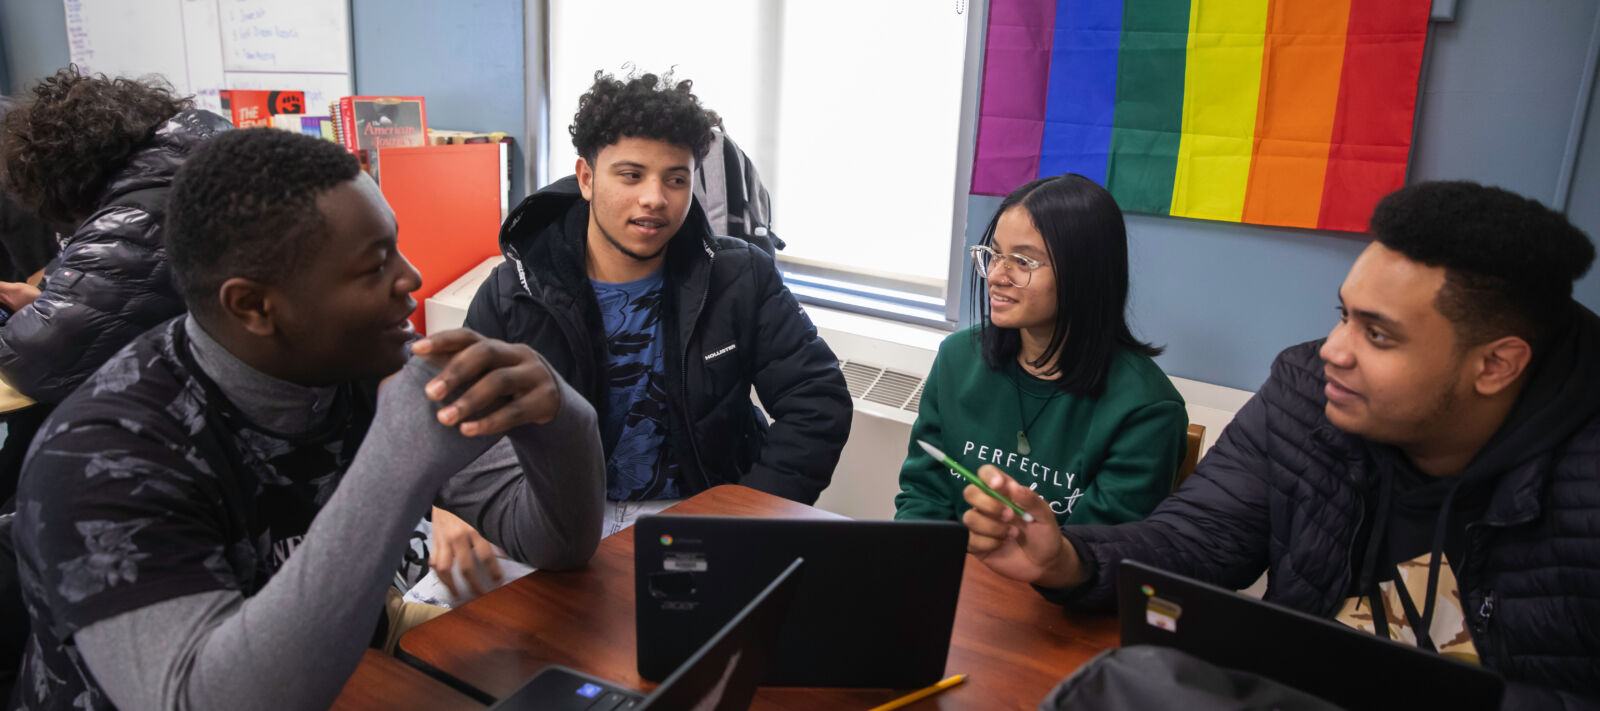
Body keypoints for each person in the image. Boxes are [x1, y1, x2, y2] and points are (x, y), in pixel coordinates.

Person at [7, 128, 605, 711]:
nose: (412, 278)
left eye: (395, 246)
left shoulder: (364, 361)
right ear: (254, 305)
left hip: (340, 664)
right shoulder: (102, 457)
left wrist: (559, 417)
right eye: (374, 266)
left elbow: (555, 544)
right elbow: (208, 698)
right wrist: (398, 461)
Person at [961, 181, 1600, 707]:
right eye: (1343, 314)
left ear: (1496, 366)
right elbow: (1196, 539)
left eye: (1378, 336)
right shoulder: (1307, 394)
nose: (1333, 351)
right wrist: (1068, 560)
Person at [466, 70, 851, 538]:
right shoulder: (515, 292)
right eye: (631, 175)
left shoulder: (739, 277)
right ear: (586, 178)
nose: (655, 198)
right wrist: (454, 513)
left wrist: (747, 515)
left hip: (702, 510)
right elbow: (465, 427)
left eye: (675, 179)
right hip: (555, 518)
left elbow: (818, 401)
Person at [896, 174, 1187, 526]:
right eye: (995, 254)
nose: (996, 275)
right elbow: (923, 495)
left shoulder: (1146, 408)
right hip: (951, 570)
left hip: (1048, 581)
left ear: (1084, 274)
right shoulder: (957, 358)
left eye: (1023, 262)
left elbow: (1099, 554)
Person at [0, 67, 231, 405]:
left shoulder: (139, 219)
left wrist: (35, 316)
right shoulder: (198, 149)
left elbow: (35, 359)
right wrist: (45, 301)